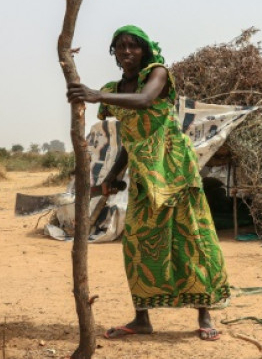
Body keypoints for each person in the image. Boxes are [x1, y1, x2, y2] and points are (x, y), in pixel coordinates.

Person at [66, 25, 230, 341]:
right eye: (120, 46)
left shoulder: (157, 74)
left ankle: (205, 314)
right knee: (138, 244)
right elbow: (131, 139)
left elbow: (144, 101)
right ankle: (142, 318)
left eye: (133, 46)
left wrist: (96, 95)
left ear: (145, 51)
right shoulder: (115, 88)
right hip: (143, 174)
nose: (127, 51)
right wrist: (113, 175)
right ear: (113, 53)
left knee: (191, 239)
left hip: (175, 169)